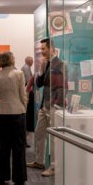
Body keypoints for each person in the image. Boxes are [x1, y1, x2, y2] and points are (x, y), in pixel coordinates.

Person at [27, 38, 65, 177]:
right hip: (45, 104)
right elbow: (40, 83)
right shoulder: (47, 63)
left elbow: (62, 87)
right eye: (41, 49)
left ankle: (54, 167)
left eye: (44, 49)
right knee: (39, 133)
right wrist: (41, 71)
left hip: (54, 106)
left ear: (51, 48)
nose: (42, 51)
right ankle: (39, 161)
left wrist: (56, 105)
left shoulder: (59, 64)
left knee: (54, 138)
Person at [0, 52, 28, 185]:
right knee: (19, 147)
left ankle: (1, 177)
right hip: (17, 113)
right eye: (13, 57)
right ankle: (19, 178)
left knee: (2, 147)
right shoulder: (19, 74)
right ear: (11, 60)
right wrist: (24, 109)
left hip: (1, 113)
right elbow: (22, 95)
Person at [21, 56, 35, 137]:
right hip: (27, 91)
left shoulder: (27, 67)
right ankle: (28, 128)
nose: (32, 62)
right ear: (27, 61)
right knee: (28, 111)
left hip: (27, 90)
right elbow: (29, 80)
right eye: (31, 61)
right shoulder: (26, 68)